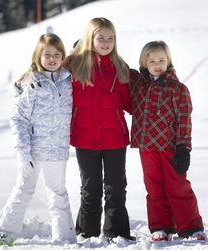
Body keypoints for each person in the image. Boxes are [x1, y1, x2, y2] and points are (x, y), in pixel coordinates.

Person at [0, 33, 76, 246]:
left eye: (57, 54)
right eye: (47, 54)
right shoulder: (32, 84)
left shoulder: (68, 81)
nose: (52, 59)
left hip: (57, 151)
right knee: (23, 190)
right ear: (38, 56)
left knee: (58, 194)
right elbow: (18, 118)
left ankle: (64, 238)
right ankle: (4, 233)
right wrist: (22, 151)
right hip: (33, 152)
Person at [64, 17, 134, 242]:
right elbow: (50, 72)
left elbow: (130, 103)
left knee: (116, 188)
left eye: (110, 38)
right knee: (90, 188)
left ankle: (117, 233)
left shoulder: (120, 67)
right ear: (90, 38)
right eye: (100, 38)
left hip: (115, 137)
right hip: (85, 138)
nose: (106, 43)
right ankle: (87, 232)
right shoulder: (75, 66)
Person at [130, 40, 206, 241]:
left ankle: (191, 226)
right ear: (144, 63)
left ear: (168, 61)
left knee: (177, 186)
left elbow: (183, 120)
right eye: (152, 60)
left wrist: (184, 148)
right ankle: (161, 226)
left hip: (170, 147)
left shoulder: (178, 88)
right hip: (147, 147)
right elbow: (118, 67)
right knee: (154, 187)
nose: (157, 64)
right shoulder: (138, 84)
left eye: (162, 60)